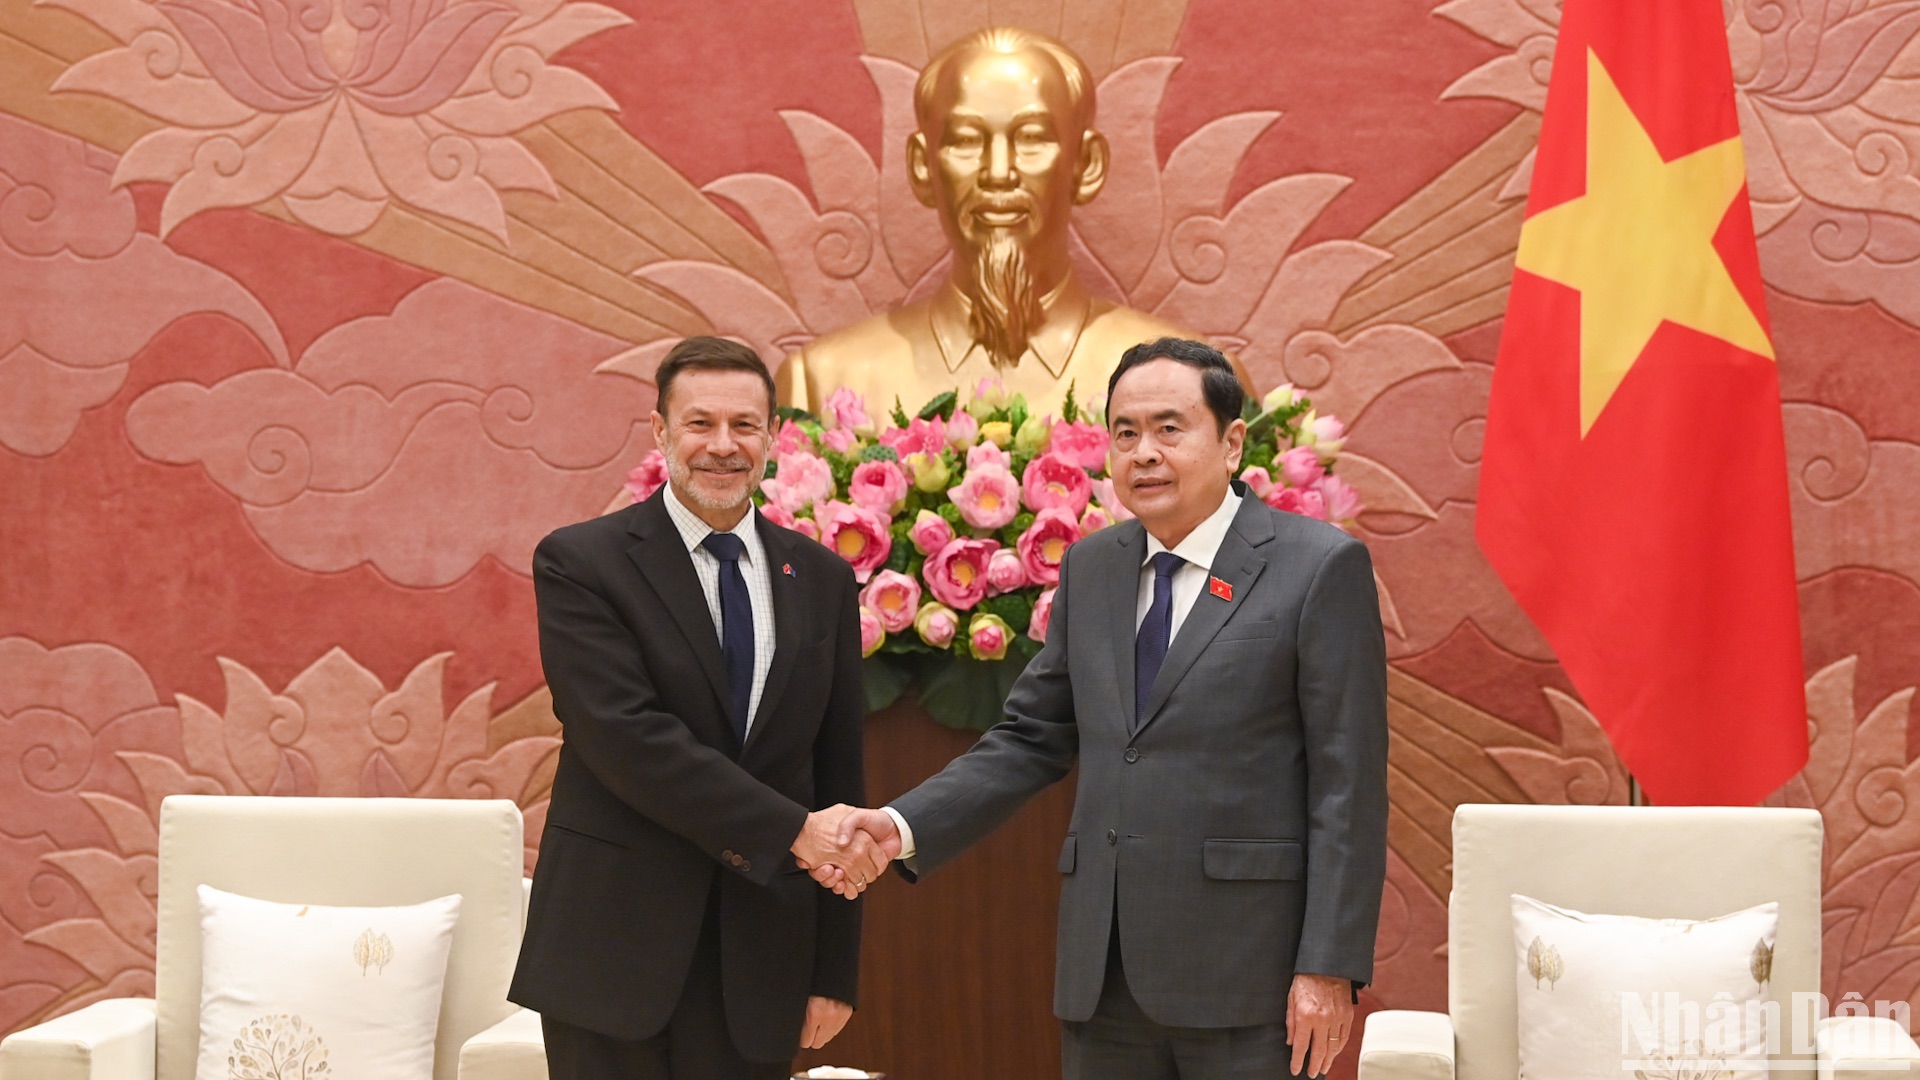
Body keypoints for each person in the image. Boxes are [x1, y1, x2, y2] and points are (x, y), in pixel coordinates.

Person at [824, 338, 1389, 1079]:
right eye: (1125, 433)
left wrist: (1328, 967)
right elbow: (1030, 738)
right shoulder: (1094, 567)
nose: (1144, 452)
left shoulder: (1316, 567)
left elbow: (1348, 784)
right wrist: (898, 827)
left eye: (1169, 428)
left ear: (1232, 442)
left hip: (1250, 977)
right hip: (1105, 975)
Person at [509, 336, 887, 1080]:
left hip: (761, 961)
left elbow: (838, 766)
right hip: (611, 952)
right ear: (660, 432)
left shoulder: (822, 578)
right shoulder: (582, 563)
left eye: (744, 426)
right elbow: (625, 738)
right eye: (700, 423)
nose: (723, 446)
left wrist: (833, 970)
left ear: (773, 437)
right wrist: (794, 834)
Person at [777, 27, 1251, 418]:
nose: (998, 173)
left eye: (1031, 138)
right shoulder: (820, 386)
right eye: (965, 140)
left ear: (1086, 164)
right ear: (923, 167)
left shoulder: (1200, 385)